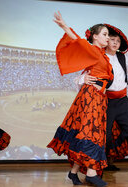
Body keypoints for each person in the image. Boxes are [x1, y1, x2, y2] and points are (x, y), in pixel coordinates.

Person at [47, 12, 112, 186]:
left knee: (87, 134)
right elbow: (77, 40)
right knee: (91, 133)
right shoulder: (93, 49)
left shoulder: (102, 54)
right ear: (95, 37)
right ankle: (91, 173)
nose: (108, 37)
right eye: (104, 34)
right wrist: (64, 26)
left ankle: (73, 172)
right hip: (91, 98)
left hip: (97, 99)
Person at [78, 24, 128, 182]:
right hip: (105, 101)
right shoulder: (98, 56)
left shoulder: (124, 57)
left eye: (118, 40)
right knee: (103, 138)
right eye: (111, 39)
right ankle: (96, 173)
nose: (115, 42)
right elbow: (81, 76)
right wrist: (84, 79)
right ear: (105, 41)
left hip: (123, 101)